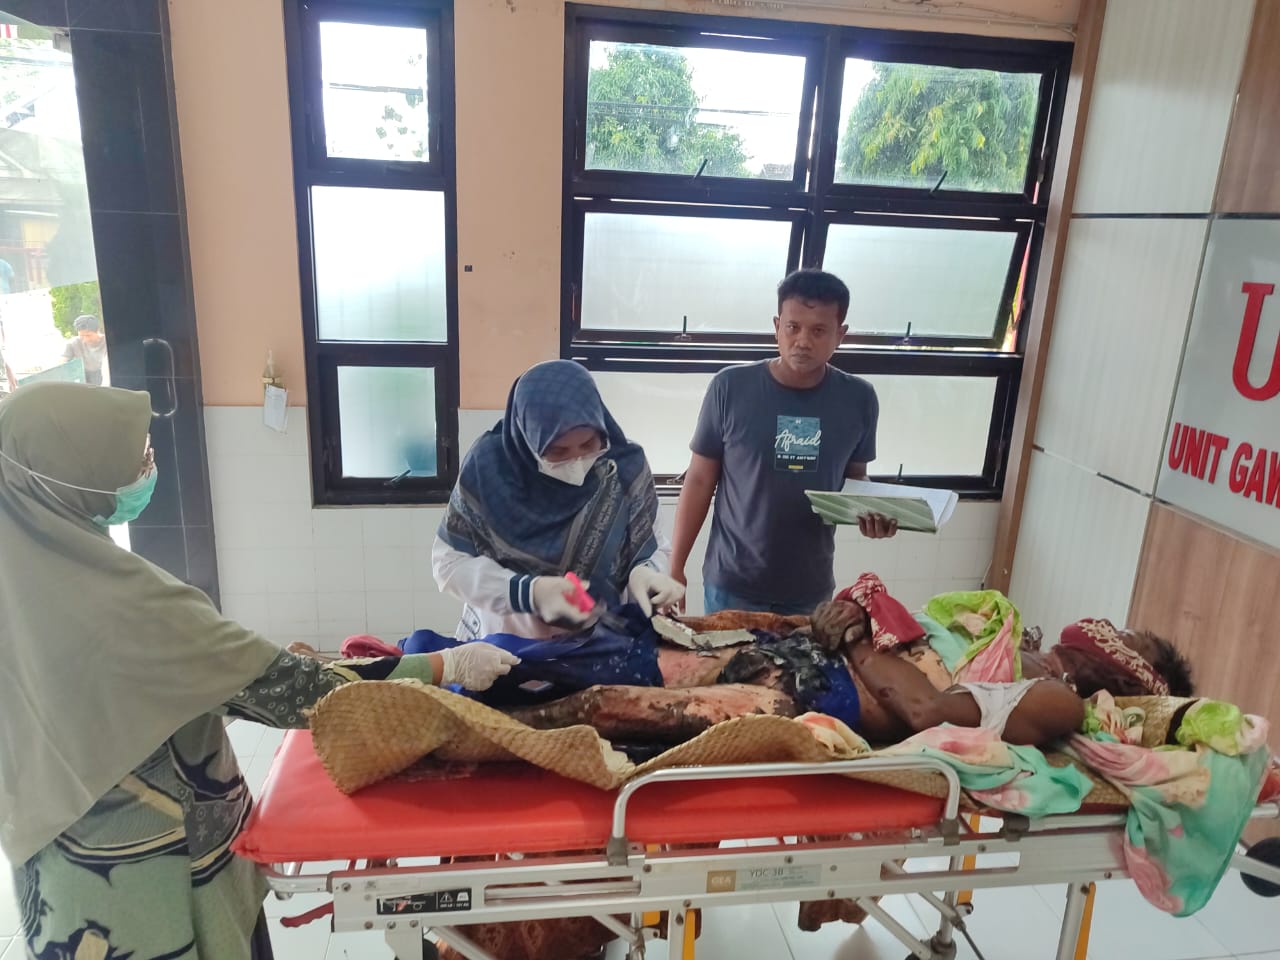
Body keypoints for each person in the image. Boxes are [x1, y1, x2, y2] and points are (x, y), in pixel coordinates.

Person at [0, 381, 518, 959]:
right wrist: (442, 665)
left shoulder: (26, 576)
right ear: (73, 476)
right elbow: (294, 690)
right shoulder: (124, 605)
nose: (149, 468)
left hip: (60, 873)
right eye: (136, 459)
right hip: (151, 875)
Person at [671, 269, 897, 617]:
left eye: (818, 331)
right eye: (793, 327)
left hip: (809, 589)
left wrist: (874, 511)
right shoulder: (730, 388)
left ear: (840, 335)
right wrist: (675, 566)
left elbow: (856, 478)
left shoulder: (859, 399)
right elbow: (700, 480)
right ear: (777, 326)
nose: (802, 341)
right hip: (732, 585)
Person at [433, 359, 684, 640]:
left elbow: (653, 545)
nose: (576, 460)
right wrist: (528, 593)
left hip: (601, 644)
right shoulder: (489, 469)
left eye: (588, 444)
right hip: (507, 642)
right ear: (528, 440)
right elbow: (449, 564)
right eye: (557, 450)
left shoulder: (624, 468)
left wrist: (647, 572)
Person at [63, 314, 107, 386]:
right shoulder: (73, 343)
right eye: (81, 336)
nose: (85, 339)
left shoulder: (107, 342)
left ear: (97, 331)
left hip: (105, 374)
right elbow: (62, 362)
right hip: (85, 377)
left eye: (88, 335)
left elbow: (108, 369)